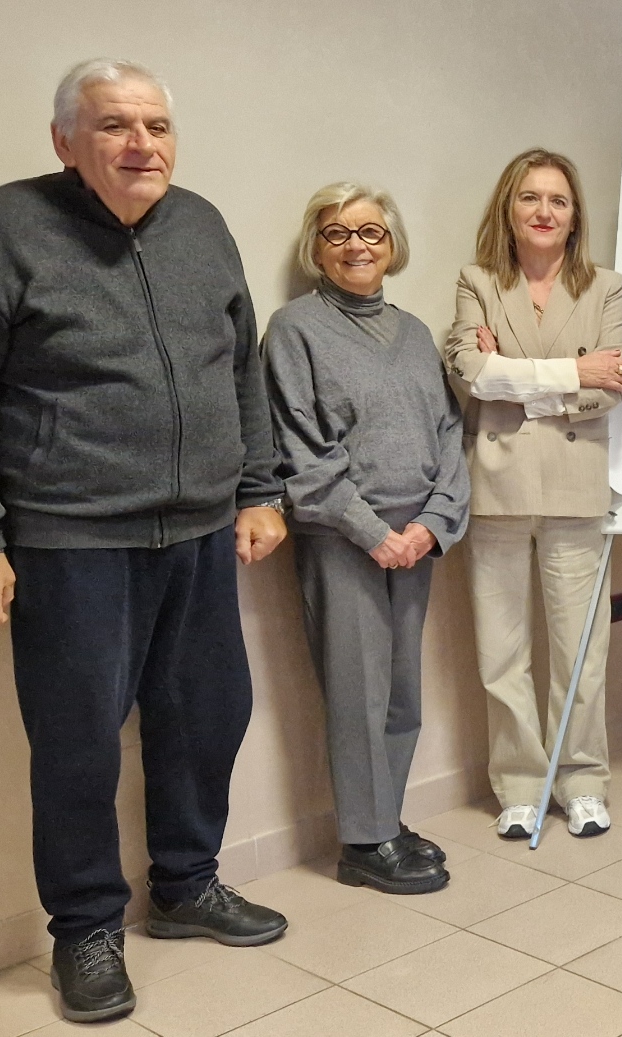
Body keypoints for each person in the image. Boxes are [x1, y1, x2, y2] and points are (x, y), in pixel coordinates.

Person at [0, 58, 289, 1023]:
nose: (140, 145)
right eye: (115, 125)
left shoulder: (201, 225)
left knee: (208, 714)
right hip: (69, 539)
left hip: (201, 529)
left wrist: (257, 488)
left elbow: (239, 370)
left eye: (156, 126)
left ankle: (186, 884)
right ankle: (84, 927)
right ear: (65, 141)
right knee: (77, 743)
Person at [264, 183, 468, 896]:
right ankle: (362, 841)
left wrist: (432, 524)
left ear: (392, 245)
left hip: (415, 539)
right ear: (316, 249)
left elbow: (449, 434)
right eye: (337, 233)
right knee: (357, 692)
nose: (356, 245)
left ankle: (386, 820)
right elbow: (298, 447)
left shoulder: (414, 333)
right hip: (342, 540)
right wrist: (372, 532)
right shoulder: (294, 330)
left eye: (371, 232)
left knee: (402, 693)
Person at [443, 149, 622, 842]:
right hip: (495, 489)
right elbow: (470, 374)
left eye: (558, 200)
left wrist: (514, 376)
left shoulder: (605, 287)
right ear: (510, 208)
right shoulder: (477, 281)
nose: (544, 211)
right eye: (530, 197)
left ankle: (581, 781)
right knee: (502, 651)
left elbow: (613, 385)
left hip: (578, 490)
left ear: (575, 215)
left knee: (581, 652)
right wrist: (572, 371)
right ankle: (521, 785)